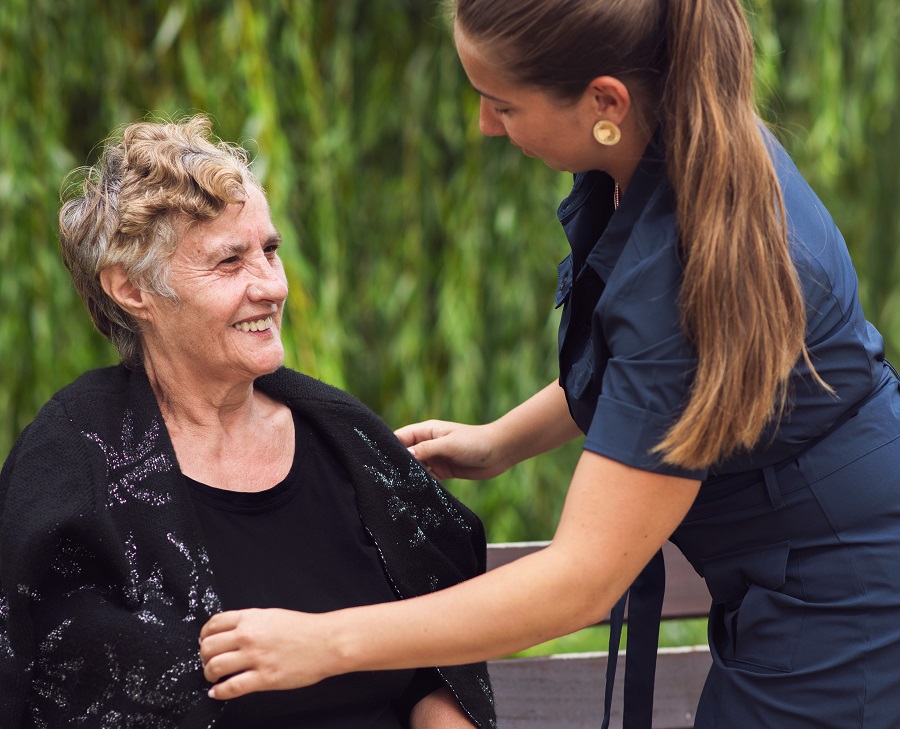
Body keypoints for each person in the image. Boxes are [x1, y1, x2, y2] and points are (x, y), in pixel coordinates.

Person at [197, 1, 900, 728]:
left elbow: (580, 583)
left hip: (846, 610)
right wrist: (500, 440)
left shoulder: (692, 262)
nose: (485, 126)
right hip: (807, 578)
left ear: (605, 101)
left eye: (503, 104)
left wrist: (326, 640)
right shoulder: (679, 136)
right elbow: (650, 377)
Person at [0, 115, 496, 729]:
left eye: (270, 250)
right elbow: (52, 689)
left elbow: (442, 662)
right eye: (229, 261)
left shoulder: (344, 438)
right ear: (131, 289)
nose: (271, 285)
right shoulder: (72, 464)